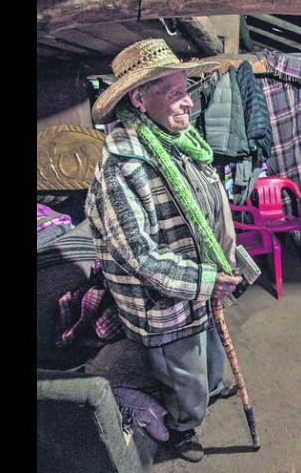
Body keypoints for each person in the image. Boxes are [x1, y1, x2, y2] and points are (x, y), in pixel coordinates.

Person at [85, 39, 243, 463]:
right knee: (181, 372)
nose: (188, 102)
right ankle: (181, 427)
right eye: (174, 93)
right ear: (139, 99)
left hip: (198, 287)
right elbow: (140, 255)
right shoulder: (121, 167)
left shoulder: (178, 141)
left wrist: (223, 261)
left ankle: (209, 392)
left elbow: (208, 205)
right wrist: (206, 280)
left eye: (185, 90)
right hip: (163, 300)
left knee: (209, 354)